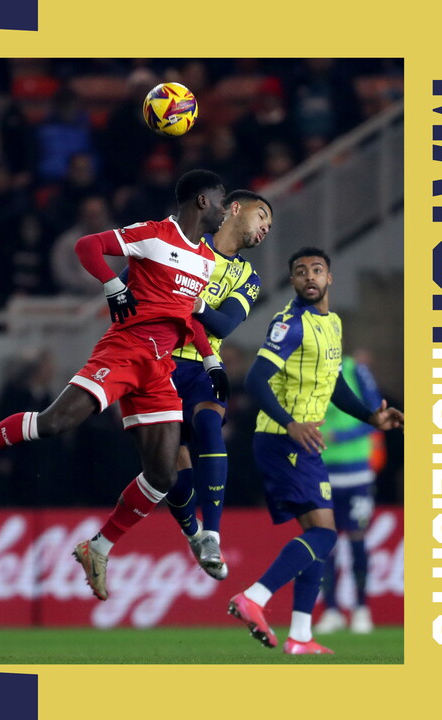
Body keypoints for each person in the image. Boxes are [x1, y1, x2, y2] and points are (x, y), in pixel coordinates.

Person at [0, 169, 230, 601]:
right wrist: (112, 285)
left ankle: (98, 547)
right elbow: (88, 246)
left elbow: (189, 316)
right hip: (125, 351)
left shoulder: (206, 259)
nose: (225, 211)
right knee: (53, 424)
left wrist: (213, 362)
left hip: (160, 369)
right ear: (202, 201)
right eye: (221, 202)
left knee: (162, 476)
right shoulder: (155, 234)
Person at [227, 247, 403, 654]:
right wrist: (290, 423)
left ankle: (302, 636)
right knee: (325, 536)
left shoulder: (333, 324)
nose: (309, 276)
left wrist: (370, 418)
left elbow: (335, 384)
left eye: (317, 270)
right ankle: (254, 596)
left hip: (301, 441)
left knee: (318, 536)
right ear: (292, 282)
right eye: (301, 271)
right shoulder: (289, 325)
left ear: (329, 279)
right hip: (283, 439)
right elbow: (256, 379)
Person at [128, 189, 272, 580]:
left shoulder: (249, 277)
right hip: (158, 361)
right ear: (237, 209)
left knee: (209, 424)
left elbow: (224, 324)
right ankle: (192, 531)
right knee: (168, 471)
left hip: (203, 368)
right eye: (263, 218)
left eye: (270, 228)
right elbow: (133, 278)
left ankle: (211, 533)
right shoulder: (184, 243)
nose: (265, 230)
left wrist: (196, 303)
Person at [314, 350, 384, 634]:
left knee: (357, 539)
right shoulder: (307, 371)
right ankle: (331, 610)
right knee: (325, 542)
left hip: (356, 471)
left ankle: (361, 608)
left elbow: (376, 415)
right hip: (321, 471)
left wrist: (338, 436)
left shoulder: (355, 370)